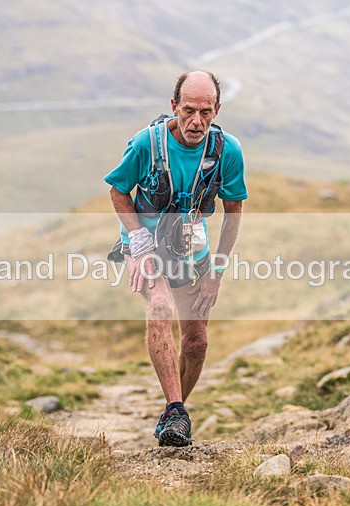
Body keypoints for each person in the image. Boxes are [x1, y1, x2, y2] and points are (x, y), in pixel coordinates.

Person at [104, 71, 247, 447]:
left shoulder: (227, 151)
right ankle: (175, 410)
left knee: (197, 342)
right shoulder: (146, 143)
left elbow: (234, 212)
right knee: (161, 308)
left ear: (217, 109)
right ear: (174, 107)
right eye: (188, 111)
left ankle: (174, 413)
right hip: (146, 245)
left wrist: (216, 271)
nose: (196, 121)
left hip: (193, 253)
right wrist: (137, 243)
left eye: (205, 111)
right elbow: (118, 191)